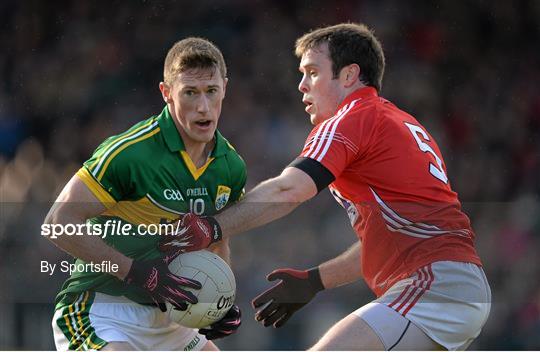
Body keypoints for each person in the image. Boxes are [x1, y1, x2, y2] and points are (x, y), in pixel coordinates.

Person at [158, 23, 491, 350]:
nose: (302, 85)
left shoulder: (352, 118)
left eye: (313, 73)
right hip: (456, 286)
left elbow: (289, 190)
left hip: (432, 287)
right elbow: (392, 239)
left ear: (348, 76)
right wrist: (316, 281)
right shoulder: (400, 123)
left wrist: (211, 227)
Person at [44, 37, 245, 351]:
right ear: (166, 93)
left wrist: (220, 300)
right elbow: (58, 223)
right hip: (102, 310)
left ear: (225, 88)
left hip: (172, 319)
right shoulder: (130, 153)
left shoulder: (229, 166)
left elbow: (217, 241)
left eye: (211, 91)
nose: (203, 106)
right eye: (190, 93)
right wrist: (137, 273)